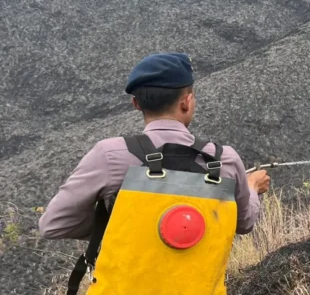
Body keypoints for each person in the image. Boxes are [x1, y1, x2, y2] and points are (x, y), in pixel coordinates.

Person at [38, 52, 269, 241]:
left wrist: (124, 224)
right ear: (186, 102)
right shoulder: (224, 159)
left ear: (136, 104)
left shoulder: (108, 155)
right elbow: (245, 223)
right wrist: (252, 187)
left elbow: (53, 225)